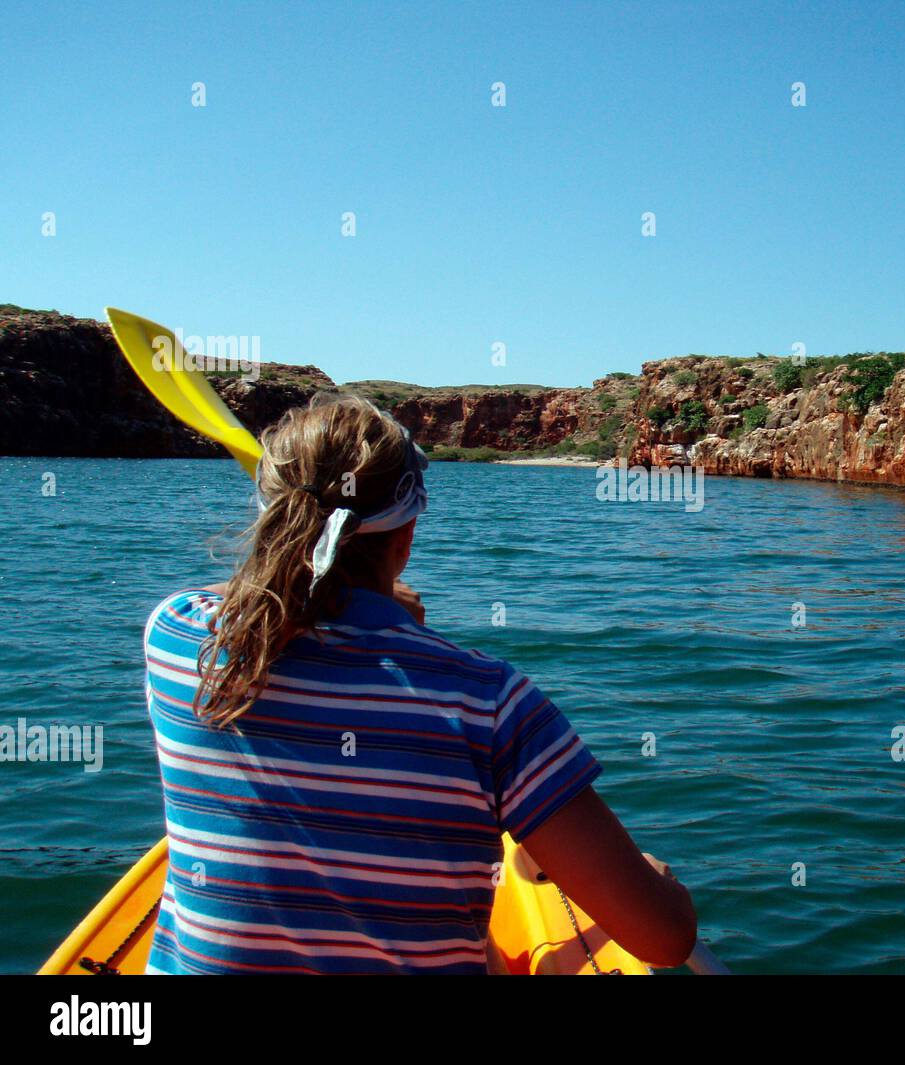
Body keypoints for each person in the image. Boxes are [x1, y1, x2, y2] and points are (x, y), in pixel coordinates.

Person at [142, 393, 696, 973]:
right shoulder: (488, 701)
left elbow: (250, 605)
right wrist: (662, 886)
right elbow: (665, 940)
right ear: (404, 537)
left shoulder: (177, 640)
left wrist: (360, 606)